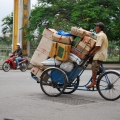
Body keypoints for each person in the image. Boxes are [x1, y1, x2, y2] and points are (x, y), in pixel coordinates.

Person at [87, 22, 108, 88]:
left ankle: (94, 82)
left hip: (99, 55)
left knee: (94, 67)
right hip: (102, 54)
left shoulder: (100, 35)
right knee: (90, 60)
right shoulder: (103, 35)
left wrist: (92, 52)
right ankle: (100, 70)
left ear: (100, 28)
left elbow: (98, 46)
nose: (96, 28)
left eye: (97, 26)